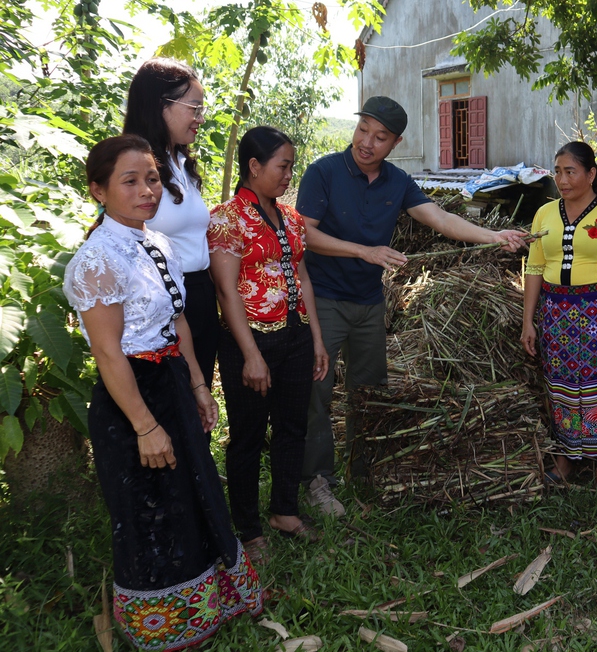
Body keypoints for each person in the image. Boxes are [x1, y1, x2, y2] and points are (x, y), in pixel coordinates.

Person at [63, 135, 262, 650]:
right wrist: (146, 426)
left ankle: (207, 605)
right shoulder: (96, 261)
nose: (147, 190)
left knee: (193, 492)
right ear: (97, 191)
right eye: (130, 181)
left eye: (151, 178)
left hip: (171, 379)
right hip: (130, 397)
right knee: (147, 509)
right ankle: (164, 625)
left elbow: (178, 322)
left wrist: (198, 384)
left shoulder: (159, 244)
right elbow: (109, 354)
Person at [294, 95, 525, 512]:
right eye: (363, 130)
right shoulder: (323, 172)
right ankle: (317, 482)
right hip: (324, 299)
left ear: (394, 143)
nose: (367, 142)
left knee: (368, 391)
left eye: (380, 137)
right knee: (319, 390)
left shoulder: (397, 181)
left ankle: (363, 472)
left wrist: (495, 236)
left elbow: (440, 218)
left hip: (368, 303)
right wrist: (363, 252)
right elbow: (304, 236)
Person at [208, 126, 330, 565]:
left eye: (291, 167)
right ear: (254, 166)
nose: (288, 175)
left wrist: (315, 337)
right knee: (247, 435)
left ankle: (284, 511)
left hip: (294, 336)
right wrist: (252, 355)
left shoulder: (291, 218)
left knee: (292, 427)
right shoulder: (226, 218)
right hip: (250, 340)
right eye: (282, 166)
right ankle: (248, 528)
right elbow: (226, 291)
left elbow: (302, 278)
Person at [521, 141, 597, 502]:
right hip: (556, 315)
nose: (562, 179)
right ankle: (566, 460)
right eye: (557, 171)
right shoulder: (544, 215)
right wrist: (529, 321)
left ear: (590, 174)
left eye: (570, 171)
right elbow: (535, 268)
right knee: (561, 387)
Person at [124, 58, 219, 391]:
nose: (200, 118)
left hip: (200, 294)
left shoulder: (179, 161)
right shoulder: (135, 167)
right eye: (194, 108)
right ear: (160, 105)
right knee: (172, 402)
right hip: (164, 301)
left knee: (199, 400)